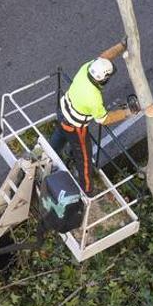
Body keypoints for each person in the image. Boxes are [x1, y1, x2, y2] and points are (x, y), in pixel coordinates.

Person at [49, 39, 133, 195]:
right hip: (75, 125)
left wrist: (121, 45)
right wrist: (128, 112)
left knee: (59, 136)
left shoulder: (86, 68)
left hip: (63, 111)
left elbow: (103, 57)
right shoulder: (94, 97)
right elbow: (104, 119)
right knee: (85, 159)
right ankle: (87, 191)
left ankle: (47, 157)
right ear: (104, 79)